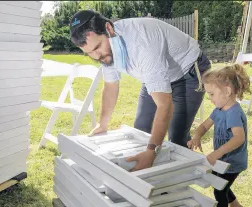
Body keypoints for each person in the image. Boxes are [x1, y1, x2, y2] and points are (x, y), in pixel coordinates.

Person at [69, 10, 211, 171]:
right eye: (89, 53)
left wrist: (151, 151)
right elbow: (110, 86)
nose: (96, 56)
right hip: (155, 71)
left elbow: (165, 105)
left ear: (109, 29)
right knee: (141, 129)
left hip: (187, 70)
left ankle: (178, 185)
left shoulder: (142, 42)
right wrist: (102, 124)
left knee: (176, 138)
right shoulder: (105, 50)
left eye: (97, 47)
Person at [187, 63, 250, 207]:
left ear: (228, 91)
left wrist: (217, 153)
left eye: (212, 94)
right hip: (222, 160)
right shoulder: (219, 110)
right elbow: (204, 126)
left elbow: (239, 138)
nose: (210, 98)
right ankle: (235, 205)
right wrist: (197, 136)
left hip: (233, 162)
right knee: (220, 184)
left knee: (219, 190)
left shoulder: (234, 113)